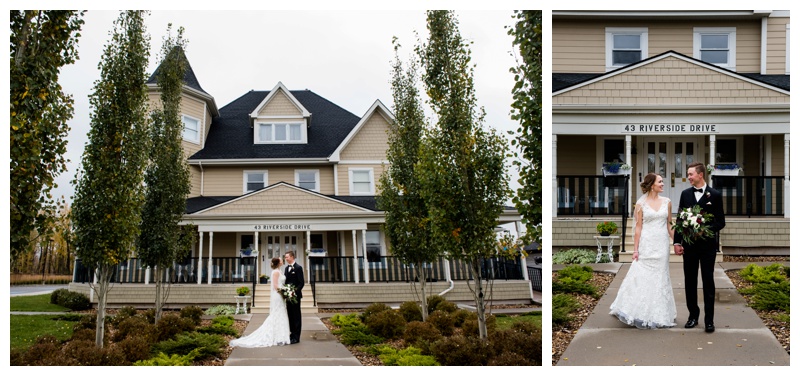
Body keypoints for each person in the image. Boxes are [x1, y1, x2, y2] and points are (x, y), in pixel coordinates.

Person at [609, 173, 677, 329]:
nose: (663, 184)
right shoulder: (640, 204)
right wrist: (636, 249)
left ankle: (659, 314)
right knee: (642, 276)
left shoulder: (667, 202)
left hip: (661, 245)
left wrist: (677, 242)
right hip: (646, 244)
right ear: (652, 184)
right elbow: (638, 227)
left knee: (660, 277)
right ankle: (635, 310)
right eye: (660, 181)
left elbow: (669, 225)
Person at [674, 162, 725, 333]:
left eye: (690, 174)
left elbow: (720, 222)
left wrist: (704, 230)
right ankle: (692, 316)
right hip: (689, 246)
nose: (688, 177)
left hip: (708, 247)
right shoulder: (685, 194)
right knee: (690, 281)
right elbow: (680, 220)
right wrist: (677, 242)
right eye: (688, 174)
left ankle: (709, 320)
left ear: (700, 175)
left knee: (708, 281)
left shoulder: (715, 195)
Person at [229, 257, 290, 347]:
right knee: (277, 313)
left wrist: (286, 290)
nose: (282, 260)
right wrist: (284, 292)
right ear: (278, 263)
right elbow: (276, 286)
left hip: (280, 295)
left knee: (280, 313)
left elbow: (281, 284)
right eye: (281, 260)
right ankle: (276, 336)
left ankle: (280, 336)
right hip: (278, 295)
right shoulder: (276, 272)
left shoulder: (280, 271)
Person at [284, 250, 304, 344]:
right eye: (285, 257)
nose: (286, 258)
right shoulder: (286, 268)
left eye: (287, 257)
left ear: (292, 257)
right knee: (290, 316)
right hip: (288, 296)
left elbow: (301, 283)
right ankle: (292, 335)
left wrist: (294, 291)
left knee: (296, 316)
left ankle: (296, 337)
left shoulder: (298, 268)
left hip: (295, 296)